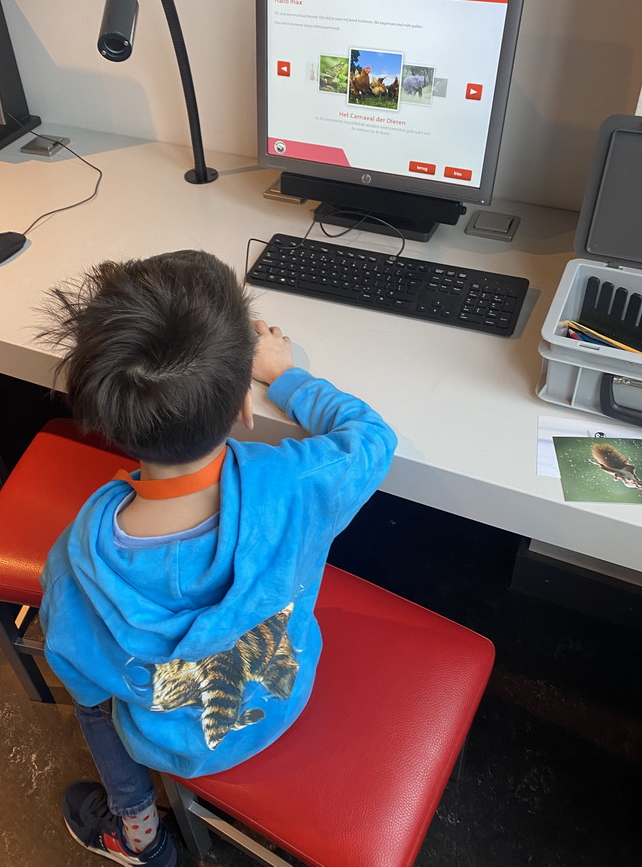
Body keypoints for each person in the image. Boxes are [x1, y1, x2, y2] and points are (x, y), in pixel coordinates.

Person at [39, 250, 397, 866]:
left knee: (91, 701)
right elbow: (373, 437)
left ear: (108, 419)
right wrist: (284, 374)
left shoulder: (79, 560)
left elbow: (78, 667)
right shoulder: (297, 484)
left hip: (163, 738)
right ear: (242, 407)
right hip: (280, 698)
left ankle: (140, 835)